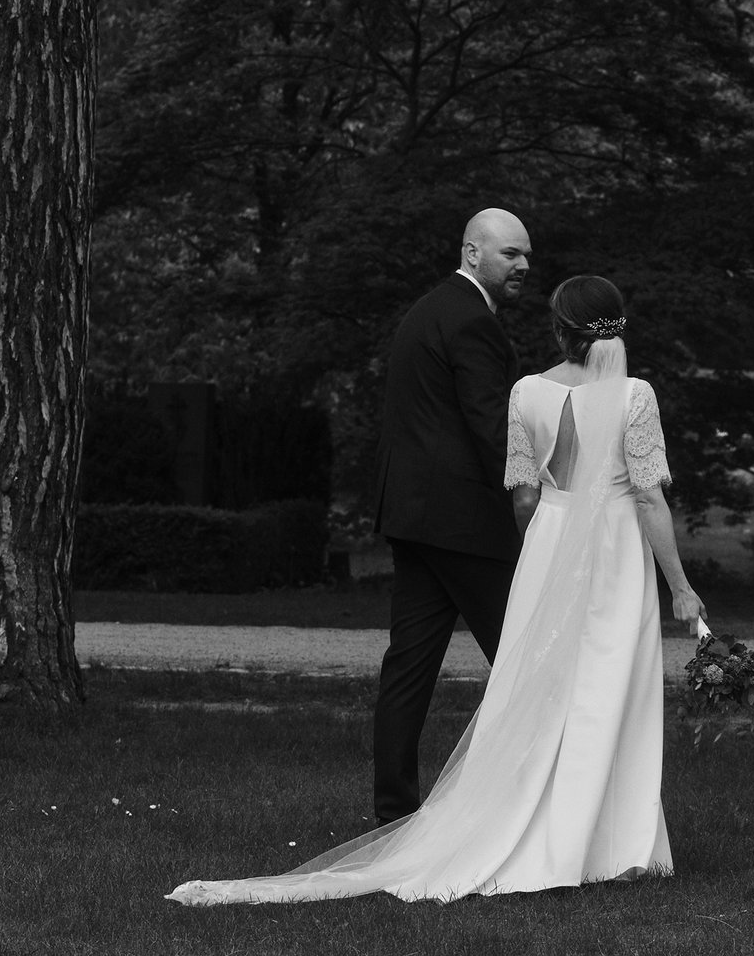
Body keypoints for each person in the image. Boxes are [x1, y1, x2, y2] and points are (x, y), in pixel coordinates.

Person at [168, 271, 709, 906]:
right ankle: (610, 844)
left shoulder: (526, 392)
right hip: (615, 552)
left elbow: (526, 494)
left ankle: (557, 832)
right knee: (612, 687)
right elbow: (648, 497)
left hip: (548, 543)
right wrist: (681, 586)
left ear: (558, 330)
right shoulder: (635, 395)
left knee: (544, 686)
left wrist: (540, 552)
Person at [367, 206, 530, 826]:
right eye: (510, 254)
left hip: (414, 516)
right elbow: (493, 428)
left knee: (408, 666)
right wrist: (534, 498)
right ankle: (524, 809)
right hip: (463, 524)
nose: (522, 266)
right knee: (522, 661)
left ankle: (394, 814)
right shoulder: (472, 322)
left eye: (526, 257)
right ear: (472, 253)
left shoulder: (430, 309)